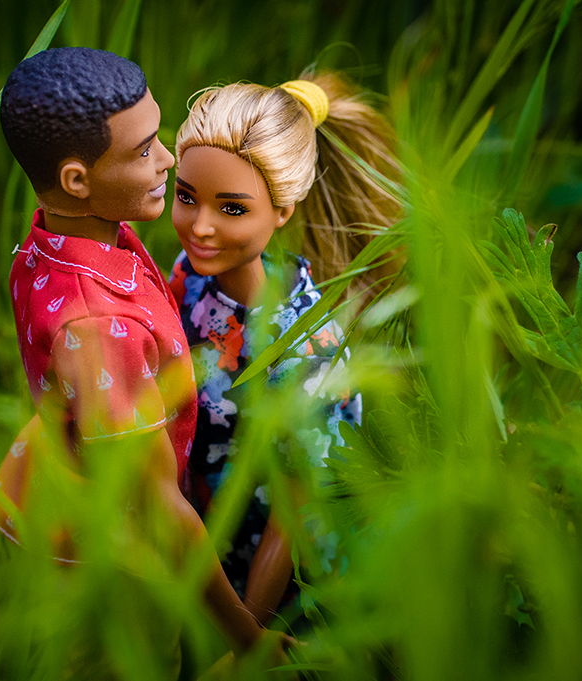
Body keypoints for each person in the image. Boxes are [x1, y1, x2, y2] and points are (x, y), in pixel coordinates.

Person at [0, 47, 286, 665]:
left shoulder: (53, 242)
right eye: (144, 149)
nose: (167, 159)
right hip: (109, 561)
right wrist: (249, 642)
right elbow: (160, 509)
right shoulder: (101, 326)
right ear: (78, 180)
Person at [168, 73, 402, 624]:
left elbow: (293, 515)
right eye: (186, 197)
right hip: (196, 541)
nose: (200, 227)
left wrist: (245, 632)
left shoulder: (306, 347)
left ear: (282, 212)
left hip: (282, 584)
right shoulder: (190, 277)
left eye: (231, 209)